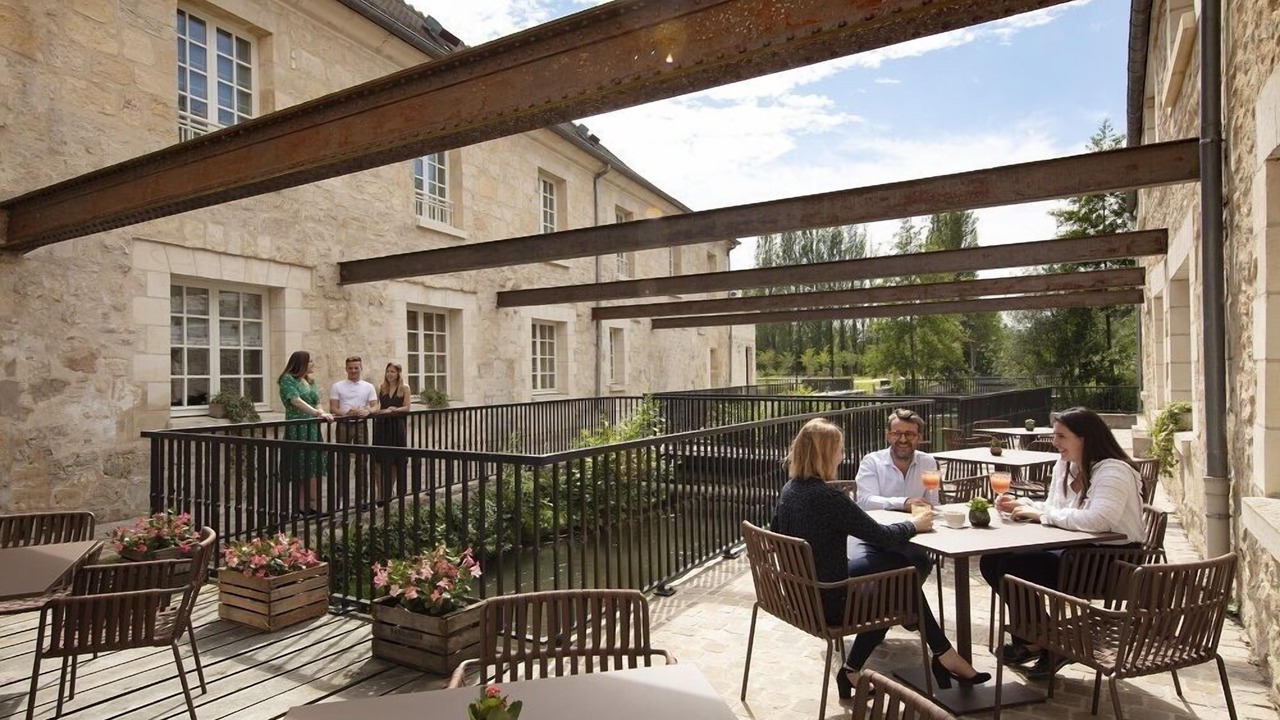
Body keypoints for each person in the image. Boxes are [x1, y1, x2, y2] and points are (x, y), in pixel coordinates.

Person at [771, 418, 990, 699]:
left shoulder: (790, 490)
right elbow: (882, 536)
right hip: (829, 603)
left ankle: (861, 670)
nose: (842, 456)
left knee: (896, 581)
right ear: (825, 454)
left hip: (799, 597)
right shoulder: (828, 498)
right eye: (839, 449)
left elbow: (776, 534)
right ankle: (943, 655)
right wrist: (914, 525)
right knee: (899, 588)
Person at [979, 406, 1145, 680]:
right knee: (992, 561)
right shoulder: (1066, 465)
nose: (1055, 442)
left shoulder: (1114, 471)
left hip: (1110, 562)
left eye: (1061, 436)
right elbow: (1056, 508)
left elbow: (1100, 519)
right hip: (1076, 552)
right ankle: (1042, 641)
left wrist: (1041, 515)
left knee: (1013, 567)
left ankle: (1050, 642)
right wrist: (1024, 504)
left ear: (1085, 438)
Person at [852, 408, 939, 580]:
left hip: (909, 538)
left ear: (919, 437)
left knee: (920, 562)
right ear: (888, 436)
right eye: (897, 433)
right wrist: (904, 503)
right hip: (869, 537)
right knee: (865, 570)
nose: (903, 439)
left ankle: (900, 597)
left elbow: (933, 504)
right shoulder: (872, 461)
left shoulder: (928, 462)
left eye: (910, 434)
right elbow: (866, 501)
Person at [277, 350, 333, 514]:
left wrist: (321, 412)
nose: (313, 364)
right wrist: (317, 414)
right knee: (300, 465)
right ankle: (304, 505)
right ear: (301, 364)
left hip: (312, 428)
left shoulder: (310, 381)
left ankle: (310, 504)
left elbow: (317, 402)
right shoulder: (288, 379)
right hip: (298, 427)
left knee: (313, 464)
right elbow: (295, 400)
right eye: (310, 361)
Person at [330, 355, 378, 506]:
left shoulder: (368, 386)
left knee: (362, 461)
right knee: (342, 461)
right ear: (346, 369)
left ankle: (362, 498)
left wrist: (368, 411)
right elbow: (333, 408)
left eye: (356, 368)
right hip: (344, 423)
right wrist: (347, 413)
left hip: (361, 424)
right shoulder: (337, 386)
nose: (353, 371)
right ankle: (341, 499)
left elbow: (375, 405)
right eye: (350, 368)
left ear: (361, 368)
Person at [371, 362, 412, 502]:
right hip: (382, 425)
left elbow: (407, 407)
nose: (389, 374)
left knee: (394, 460)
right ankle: (380, 493)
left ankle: (388, 492)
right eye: (388, 371)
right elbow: (376, 405)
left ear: (398, 373)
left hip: (397, 426)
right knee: (379, 460)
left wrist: (393, 410)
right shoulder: (381, 387)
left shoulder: (405, 388)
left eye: (392, 371)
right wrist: (371, 411)